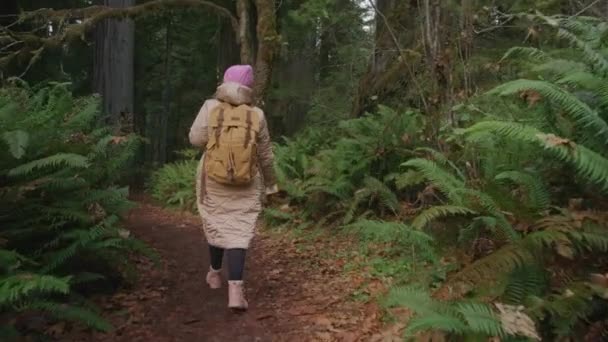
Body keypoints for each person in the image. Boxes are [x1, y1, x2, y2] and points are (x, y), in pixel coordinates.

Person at [188, 65, 277, 311]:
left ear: (225, 83)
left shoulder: (210, 107)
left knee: (217, 221)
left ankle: (215, 275)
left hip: (213, 179)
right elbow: (266, 154)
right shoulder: (256, 114)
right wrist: (271, 184)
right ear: (248, 87)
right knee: (238, 230)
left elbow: (195, 140)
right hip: (247, 181)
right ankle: (236, 292)